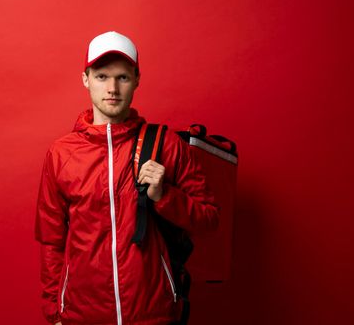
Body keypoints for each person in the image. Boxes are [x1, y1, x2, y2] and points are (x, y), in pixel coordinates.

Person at [35, 31, 219, 325]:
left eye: (122, 77)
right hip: (83, 316)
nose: (112, 88)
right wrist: (54, 313)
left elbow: (209, 218)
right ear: (85, 79)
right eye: (101, 76)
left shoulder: (165, 144)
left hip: (153, 313)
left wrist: (165, 196)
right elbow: (51, 240)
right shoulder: (61, 153)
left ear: (137, 79)